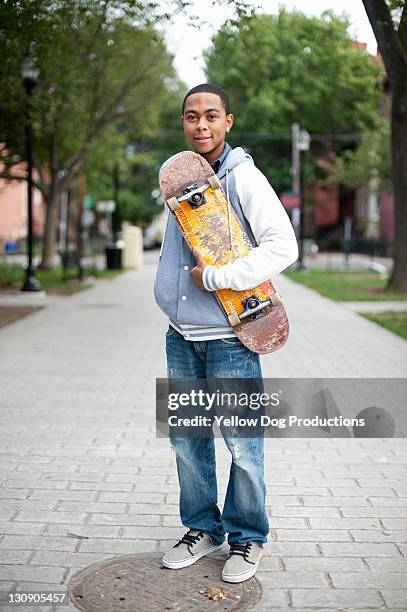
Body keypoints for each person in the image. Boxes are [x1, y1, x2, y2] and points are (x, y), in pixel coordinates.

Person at [154, 83, 298, 583]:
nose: (201, 125)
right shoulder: (179, 177)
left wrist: (216, 279)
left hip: (231, 339)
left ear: (228, 122)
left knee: (242, 444)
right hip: (180, 336)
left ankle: (247, 538)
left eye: (211, 116)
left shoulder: (244, 178)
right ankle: (201, 528)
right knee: (187, 441)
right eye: (191, 117)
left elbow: (283, 247)